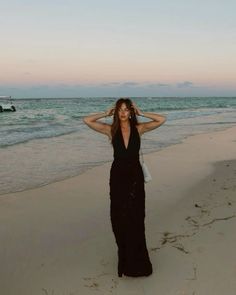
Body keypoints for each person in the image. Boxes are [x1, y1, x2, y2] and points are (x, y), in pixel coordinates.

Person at [83, 98, 166, 277]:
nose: (122, 113)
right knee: (119, 218)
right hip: (118, 178)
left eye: (126, 109)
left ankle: (139, 263)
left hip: (135, 178)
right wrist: (105, 114)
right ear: (116, 112)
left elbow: (161, 119)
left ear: (131, 112)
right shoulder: (110, 130)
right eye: (119, 109)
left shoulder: (139, 129)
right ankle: (125, 259)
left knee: (136, 218)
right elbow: (87, 120)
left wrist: (142, 112)